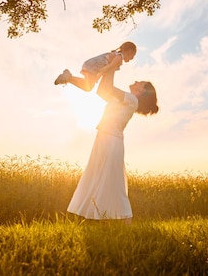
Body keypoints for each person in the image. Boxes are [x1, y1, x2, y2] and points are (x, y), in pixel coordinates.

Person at [63, 60, 158, 224]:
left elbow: (107, 88)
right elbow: (102, 91)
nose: (136, 81)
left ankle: (125, 223)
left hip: (111, 141)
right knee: (99, 178)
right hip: (104, 139)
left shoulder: (131, 100)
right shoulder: (123, 99)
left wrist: (113, 66)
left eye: (140, 82)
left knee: (113, 183)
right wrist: (110, 67)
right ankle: (101, 219)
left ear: (142, 91)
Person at [54, 41, 137, 91]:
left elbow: (108, 68)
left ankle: (67, 78)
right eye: (133, 55)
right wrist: (98, 75)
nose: (132, 58)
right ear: (129, 51)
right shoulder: (119, 57)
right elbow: (108, 67)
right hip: (94, 66)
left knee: (88, 87)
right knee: (88, 87)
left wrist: (98, 76)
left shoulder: (117, 55)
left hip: (93, 65)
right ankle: (68, 77)